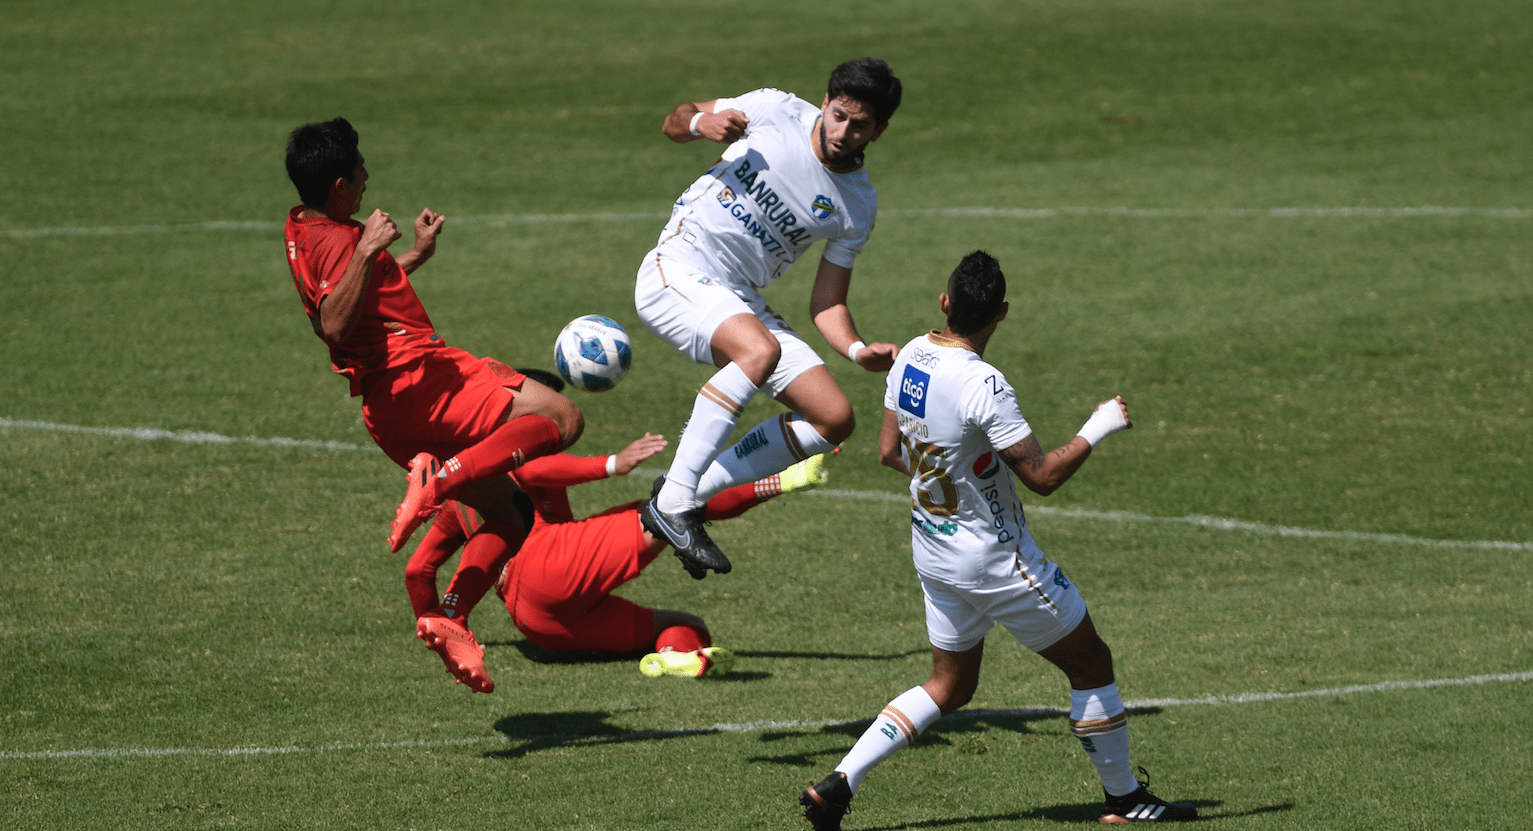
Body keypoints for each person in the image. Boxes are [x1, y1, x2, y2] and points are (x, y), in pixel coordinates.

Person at [798, 251, 1197, 828]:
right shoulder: (985, 384)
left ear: (945, 302)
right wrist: (1098, 425)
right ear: (1001, 314)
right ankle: (1125, 799)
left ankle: (840, 782)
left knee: (949, 685)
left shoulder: (910, 353)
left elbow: (890, 454)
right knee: (1090, 662)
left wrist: (953, 472)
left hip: (934, 553)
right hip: (994, 560)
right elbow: (1042, 476)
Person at [283, 118, 584, 693]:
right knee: (561, 419)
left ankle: (450, 614)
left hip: (390, 409)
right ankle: (439, 481)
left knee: (510, 515)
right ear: (341, 184)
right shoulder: (343, 240)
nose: (370, 175)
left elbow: (361, 293)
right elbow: (335, 323)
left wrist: (414, 255)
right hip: (420, 380)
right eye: (362, 168)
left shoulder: (303, 225)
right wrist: (368, 245)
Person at [632, 57, 903, 579]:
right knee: (760, 350)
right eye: (839, 115)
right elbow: (675, 119)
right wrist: (698, 124)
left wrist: (853, 348)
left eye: (861, 124)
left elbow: (827, 302)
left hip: (736, 296)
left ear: (880, 130)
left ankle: (683, 493)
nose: (844, 132)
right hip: (678, 266)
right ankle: (674, 503)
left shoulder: (856, 205)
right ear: (824, 103)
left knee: (833, 416)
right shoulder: (774, 109)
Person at [405, 375, 832, 679]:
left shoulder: (458, 500)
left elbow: (418, 571)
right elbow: (534, 472)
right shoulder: (509, 458)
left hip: (539, 625)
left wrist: (441, 624)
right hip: (549, 563)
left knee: (687, 626)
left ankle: (674, 658)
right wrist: (610, 464)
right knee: (669, 506)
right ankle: (780, 478)